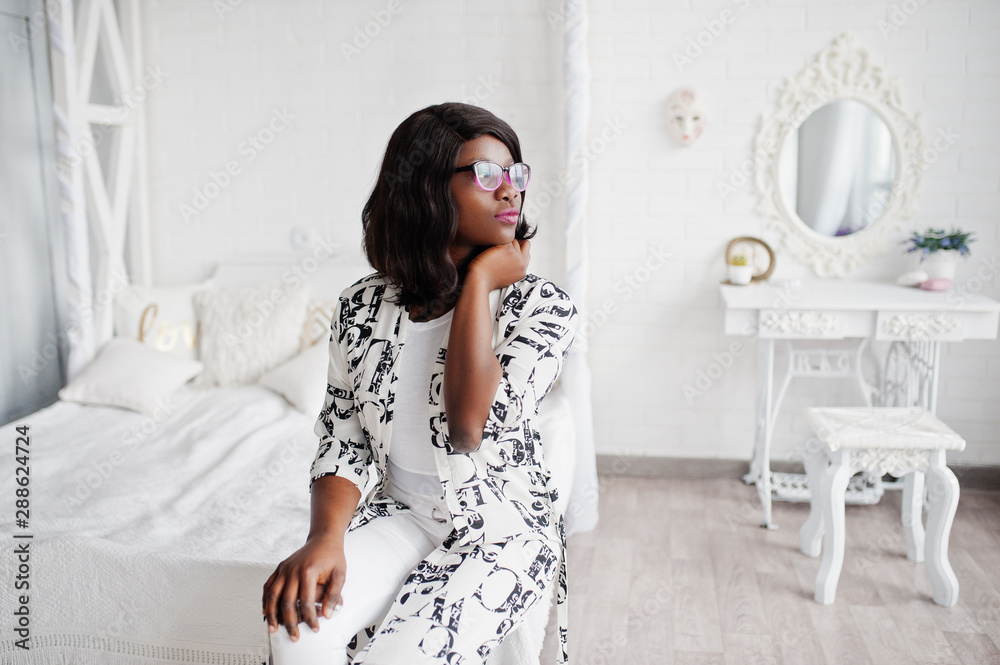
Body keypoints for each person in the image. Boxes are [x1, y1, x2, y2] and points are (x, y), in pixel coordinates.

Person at [261, 102, 577, 665]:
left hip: (498, 530)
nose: (510, 191)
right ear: (427, 188)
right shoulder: (362, 306)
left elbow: (469, 426)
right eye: (485, 174)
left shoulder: (540, 307)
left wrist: (478, 284)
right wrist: (325, 538)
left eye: (516, 174)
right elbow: (343, 437)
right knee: (295, 631)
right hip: (401, 515)